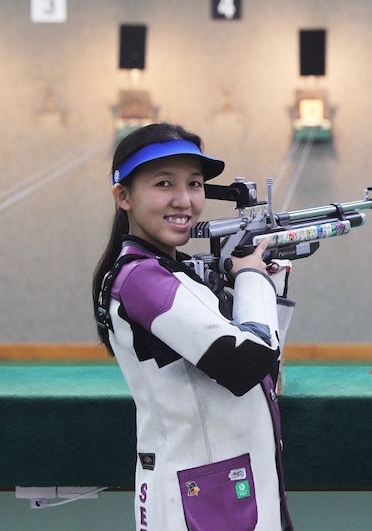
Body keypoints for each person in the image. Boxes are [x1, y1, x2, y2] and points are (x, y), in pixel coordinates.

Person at [91, 122, 295, 530]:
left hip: (222, 489)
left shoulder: (175, 274)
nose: (184, 200)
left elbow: (267, 375)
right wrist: (252, 279)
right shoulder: (143, 280)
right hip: (202, 499)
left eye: (195, 184)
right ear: (123, 196)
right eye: (164, 183)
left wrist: (266, 284)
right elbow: (247, 363)